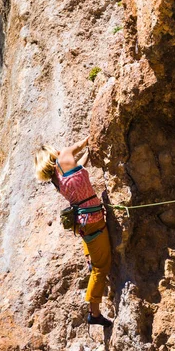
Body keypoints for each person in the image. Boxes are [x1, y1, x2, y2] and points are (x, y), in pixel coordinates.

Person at [34, 136, 112, 327]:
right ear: (52, 151)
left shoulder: (55, 178)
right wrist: (91, 140)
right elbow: (84, 142)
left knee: (93, 251)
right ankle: (94, 313)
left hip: (82, 221)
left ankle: (90, 261)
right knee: (102, 266)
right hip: (93, 219)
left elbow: (78, 170)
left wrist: (87, 155)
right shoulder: (65, 156)